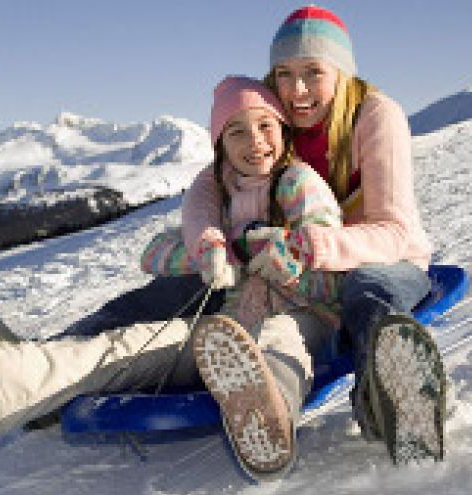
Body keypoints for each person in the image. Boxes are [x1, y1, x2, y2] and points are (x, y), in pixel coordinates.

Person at [0, 75, 344, 481]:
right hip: (226, 335)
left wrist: (283, 261)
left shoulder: (299, 182)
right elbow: (153, 254)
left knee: (278, 339)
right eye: (236, 132)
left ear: (284, 130)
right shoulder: (221, 195)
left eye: (265, 125)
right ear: (220, 145)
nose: (254, 141)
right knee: (126, 346)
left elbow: (331, 267)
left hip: (304, 316)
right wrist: (217, 251)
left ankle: (269, 425)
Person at [181, 5, 447, 464]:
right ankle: (41, 355)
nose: (296, 90)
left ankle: (396, 406)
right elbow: (209, 184)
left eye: (312, 72)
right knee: (184, 287)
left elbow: (396, 232)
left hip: (381, 262)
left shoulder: (375, 116)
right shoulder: (273, 116)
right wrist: (208, 240)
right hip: (300, 276)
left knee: (369, 294)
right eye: (283, 73)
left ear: (341, 71)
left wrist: (317, 246)